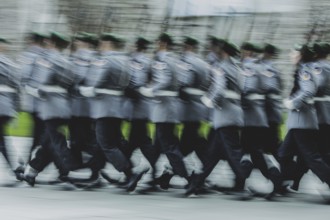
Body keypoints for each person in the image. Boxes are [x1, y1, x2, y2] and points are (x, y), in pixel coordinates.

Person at [79, 33, 148, 192]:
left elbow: (98, 79)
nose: (101, 46)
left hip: (104, 106)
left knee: (106, 144)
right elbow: (132, 83)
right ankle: (97, 172)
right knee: (115, 141)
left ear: (108, 44)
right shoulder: (125, 61)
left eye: (103, 43)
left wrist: (88, 89)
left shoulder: (105, 60)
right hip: (118, 107)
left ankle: (130, 172)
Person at [186, 40, 251, 198]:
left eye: (219, 50)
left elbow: (219, 88)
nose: (216, 52)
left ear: (225, 52)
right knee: (211, 154)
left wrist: (209, 100)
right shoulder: (238, 67)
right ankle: (196, 184)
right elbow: (243, 88)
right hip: (234, 112)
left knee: (233, 150)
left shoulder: (221, 67)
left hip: (224, 113)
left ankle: (244, 172)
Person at [22, 32, 80, 187]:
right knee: (48, 140)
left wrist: (31, 89)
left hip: (50, 105)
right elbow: (72, 85)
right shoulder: (67, 62)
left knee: (56, 141)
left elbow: (42, 81)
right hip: (64, 106)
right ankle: (32, 170)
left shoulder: (47, 60)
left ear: (51, 43)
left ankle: (71, 170)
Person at [138, 33, 191, 189]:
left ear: (162, 43)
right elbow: (182, 81)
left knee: (168, 145)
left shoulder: (162, 60)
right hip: (170, 107)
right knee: (158, 144)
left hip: (164, 107)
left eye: (157, 42)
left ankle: (188, 175)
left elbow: (164, 80)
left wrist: (150, 89)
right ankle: (151, 175)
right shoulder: (176, 61)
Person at [278, 44, 330, 201]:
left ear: (301, 55)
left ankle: (287, 183)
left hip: (306, 118)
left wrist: (292, 102)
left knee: (312, 157)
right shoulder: (308, 68)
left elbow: (309, 90)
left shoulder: (308, 69)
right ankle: (287, 183)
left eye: (293, 53)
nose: (290, 56)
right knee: (285, 154)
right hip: (301, 119)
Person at [15, 32, 49, 179]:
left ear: (32, 41)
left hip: (34, 102)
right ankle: (30, 163)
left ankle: (28, 163)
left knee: (38, 135)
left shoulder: (28, 55)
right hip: (45, 103)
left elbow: (22, 75)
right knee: (41, 135)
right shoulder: (46, 55)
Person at [0, 37, 20, 179]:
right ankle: (17, 167)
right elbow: (16, 87)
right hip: (6, 107)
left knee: (2, 140)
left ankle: (16, 168)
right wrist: (15, 109)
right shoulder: (9, 63)